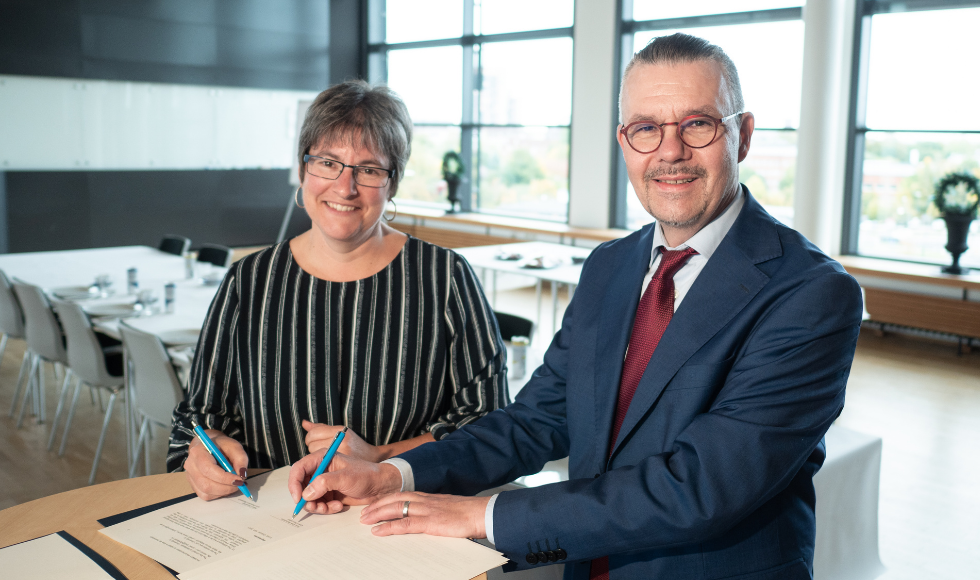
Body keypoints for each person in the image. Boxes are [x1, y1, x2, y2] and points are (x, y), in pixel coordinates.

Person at [287, 34, 864, 580]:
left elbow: (700, 488)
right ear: (623, 142)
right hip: (587, 564)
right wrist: (393, 475)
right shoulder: (610, 267)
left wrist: (480, 516)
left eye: (698, 124)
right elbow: (539, 418)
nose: (670, 151)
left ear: (742, 136)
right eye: (646, 128)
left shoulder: (810, 293)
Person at [168, 80, 509, 501]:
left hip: (399, 521)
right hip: (267, 523)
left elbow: (489, 426)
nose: (344, 187)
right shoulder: (249, 281)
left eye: (368, 169)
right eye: (328, 163)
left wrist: (383, 458)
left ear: (393, 183)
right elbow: (196, 419)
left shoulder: (445, 278)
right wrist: (202, 453)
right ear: (302, 169)